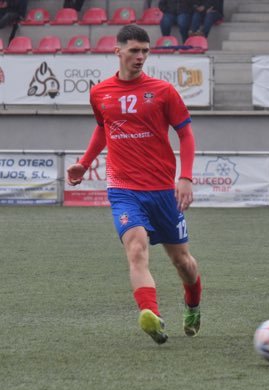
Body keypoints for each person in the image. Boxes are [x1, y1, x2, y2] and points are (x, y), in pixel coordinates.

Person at [67, 24, 201, 345]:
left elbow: (185, 133)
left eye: (145, 51)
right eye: (134, 51)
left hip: (162, 192)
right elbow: (103, 128)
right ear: (118, 51)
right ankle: (150, 315)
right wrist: (84, 164)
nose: (140, 57)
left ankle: (193, 304)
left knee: (182, 262)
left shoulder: (163, 91)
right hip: (124, 190)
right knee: (136, 249)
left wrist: (186, 177)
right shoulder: (100, 93)